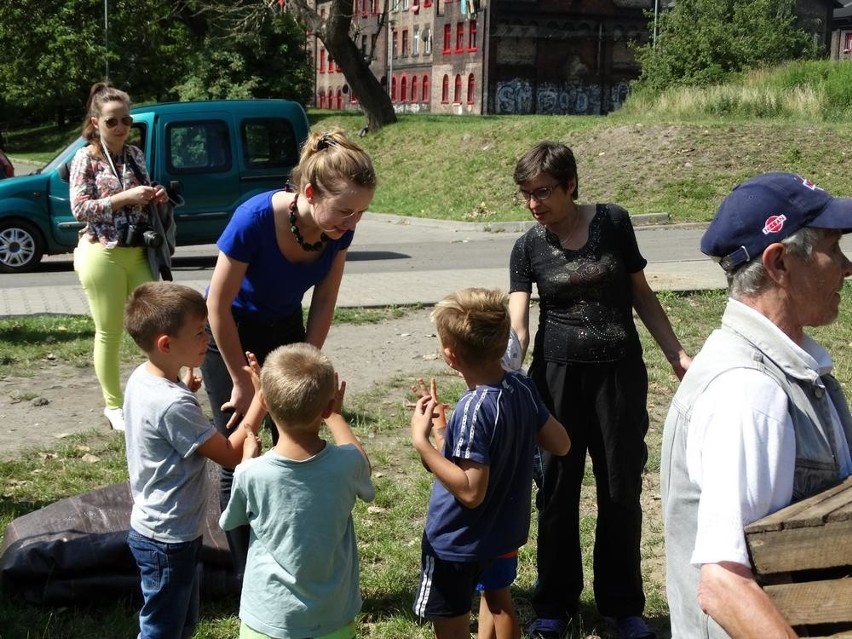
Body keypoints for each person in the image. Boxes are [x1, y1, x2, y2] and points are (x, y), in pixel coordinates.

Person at [507, 141, 691, 639]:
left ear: (570, 184)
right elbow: (519, 324)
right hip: (556, 378)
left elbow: (641, 294)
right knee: (557, 491)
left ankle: (623, 605)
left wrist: (676, 354)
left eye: (543, 191)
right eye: (525, 194)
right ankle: (554, 603)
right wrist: (505, 368)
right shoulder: (528, 246)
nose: (533, 203)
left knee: (620, 489)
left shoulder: (613, 221)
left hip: (618, 376)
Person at [661, 172, 852, 638]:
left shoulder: (793, 372)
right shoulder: (747, 393)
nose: (847, 267)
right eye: (834, 247)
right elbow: (723, 587)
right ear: (779, 263)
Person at [201, 127, 376, 578]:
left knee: (296, 438)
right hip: (230, 334)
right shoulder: (253, 218)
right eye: (344, 211)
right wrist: (242, 380)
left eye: (360, 213)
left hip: (284, 330)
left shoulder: (337, 232)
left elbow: (323, 299)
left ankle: (292, 549)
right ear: (310, 191)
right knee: (241, 444)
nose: (351, 223)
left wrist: (307, 362)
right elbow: (216, 305)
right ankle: (247, 571)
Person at [410, 288, 571, 639]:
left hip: (458, 540)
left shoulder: (473, 408)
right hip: (502, 533)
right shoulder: (521, 386)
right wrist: (443, 430)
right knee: (498, 601)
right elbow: (560, 443)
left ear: (450, 355)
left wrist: (423, 444)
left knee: (451, 616)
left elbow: (470, 491)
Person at [122, 281, 263, 639]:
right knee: (162, 629)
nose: (207, 339)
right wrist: (260, 400)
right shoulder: (172, 404)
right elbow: (230, 453)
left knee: (181, 624)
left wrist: (185, 387)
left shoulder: (144, 378)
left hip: (159, 529)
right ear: (166, 344)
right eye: (200, 332)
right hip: (169, 537)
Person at [219, 343, 374, 639]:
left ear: (263, 400)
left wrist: (248, 458)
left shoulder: (251, 472)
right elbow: (360, 461)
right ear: (328, 408)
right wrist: (336, 417)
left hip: (269, 617)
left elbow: (231, 520)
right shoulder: (348, 464)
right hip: (332, 616)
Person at [70, 82, 169, 432]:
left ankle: (159, 395)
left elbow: (142, 195)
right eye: (113, 121)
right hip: (102, 251)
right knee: (110, 331)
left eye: (126, 120)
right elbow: (80, 208)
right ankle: (114, 406)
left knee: (155, 324)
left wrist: (154, 195)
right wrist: (124, 198)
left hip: (138, 249)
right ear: (96, 122)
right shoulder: (85, 157)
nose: (122, 128)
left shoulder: (135, 155)